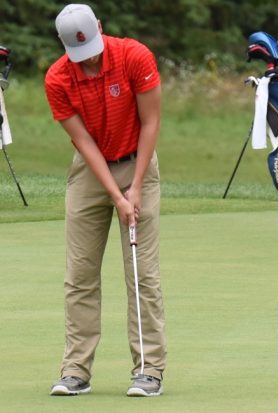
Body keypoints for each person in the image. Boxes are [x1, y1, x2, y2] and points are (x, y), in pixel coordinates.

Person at [44, 4, 166, 397]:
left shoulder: (134, 56)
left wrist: (135, 188)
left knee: (141, 273)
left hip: (138, 161)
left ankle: (149, 370)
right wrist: (116, 195)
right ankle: (75, 370)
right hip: (90, 169)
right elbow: (82, 142)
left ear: (99, 27)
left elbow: (150, 122)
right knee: (79, 275)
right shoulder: (58, 78)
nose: (90, 60)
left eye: (93, 47)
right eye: (80, 54)